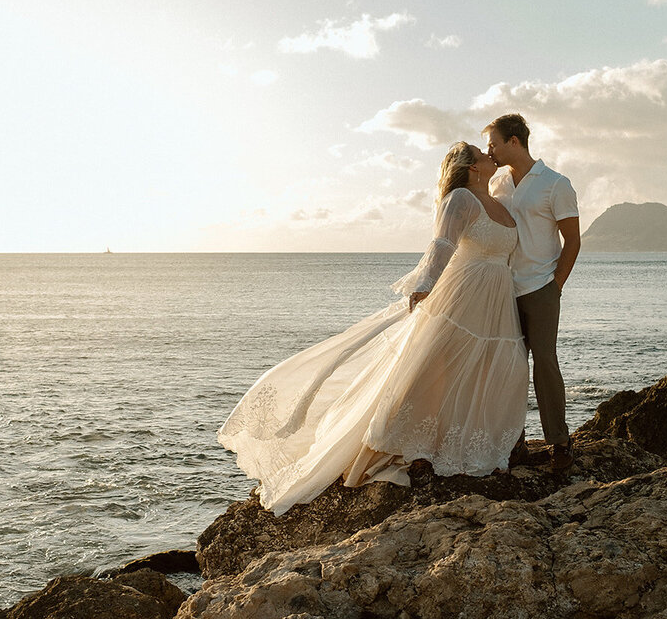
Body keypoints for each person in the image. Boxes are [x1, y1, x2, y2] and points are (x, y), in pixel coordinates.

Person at [219, 142, 528, 515]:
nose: (489, 156)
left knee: (492, 367)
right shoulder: (461, 198)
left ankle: (468, 442)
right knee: (434, 367)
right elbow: (442, 243)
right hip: (463, 295)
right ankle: (405, 445)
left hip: (496, 299)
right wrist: (424, 285)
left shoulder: (502, 199)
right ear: (470, 167)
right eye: (482, 153)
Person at [484, 114, 580, 471]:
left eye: (493, 142)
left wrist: (555, 285)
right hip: (504, 289)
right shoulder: (497, 184)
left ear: (514, 141)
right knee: (509, 369)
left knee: (545, 365)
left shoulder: (555, 183)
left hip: (541, 287)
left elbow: (573, 240)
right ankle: (514, 444)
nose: (488, 150)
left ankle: (560, 444)